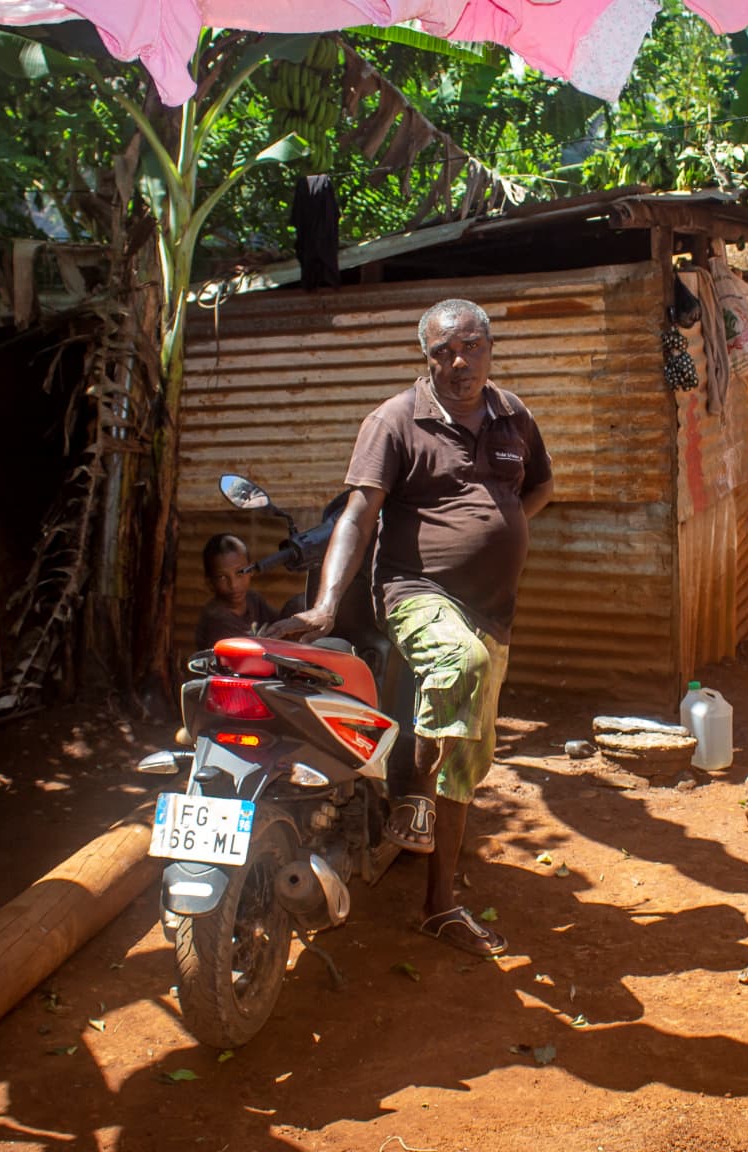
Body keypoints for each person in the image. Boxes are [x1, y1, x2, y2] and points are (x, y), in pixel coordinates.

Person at [270, 298, 552, 957]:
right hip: (414, 592)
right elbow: (357, 517)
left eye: (472, 347)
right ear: (425, 358)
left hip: (493, 613)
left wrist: (501, 525)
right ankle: (408, 798)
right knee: (460, 665)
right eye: (444, 352)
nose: (460, 361)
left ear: (489, 347)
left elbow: (539, 487)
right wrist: (323, 606)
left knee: (467, 761)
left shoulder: (514, 415)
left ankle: (439, 903)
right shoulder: (394, 420)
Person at [194, 533, 280, 650]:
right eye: (222, 577)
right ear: (210, 583)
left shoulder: (253, 600)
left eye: (240, 572)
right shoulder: (216, 619)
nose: (234, 585)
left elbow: (279, 624)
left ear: (251, 570)